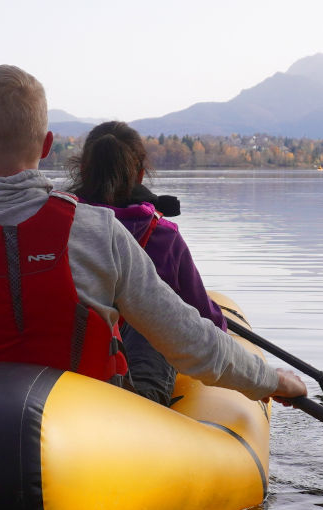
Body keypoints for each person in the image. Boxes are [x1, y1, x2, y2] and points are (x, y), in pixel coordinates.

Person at [0, 64, 305, 404]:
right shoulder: (101, 232)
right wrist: (271, 381)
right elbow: (192, 342)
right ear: (46, 146)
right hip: (90, 437)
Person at [66, 121, 225, 405]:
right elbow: (208, 323)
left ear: (81, 170)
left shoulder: (57, 227)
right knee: (155, 319)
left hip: (71, 368)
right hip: (142, 387)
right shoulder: (164, 236)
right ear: (140, 173)